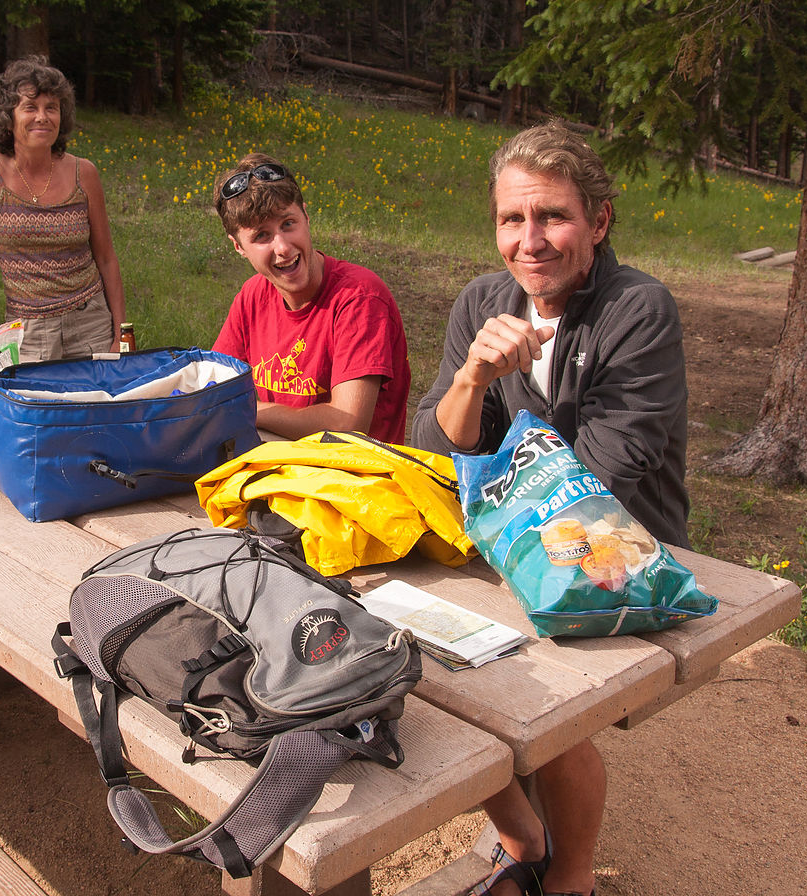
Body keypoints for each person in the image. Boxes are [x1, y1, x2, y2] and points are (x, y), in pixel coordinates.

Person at [412, 120, 690, 896]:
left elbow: (603, 481)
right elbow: (434, 451)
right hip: (507, 542)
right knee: (408, 652)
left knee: (541, 705)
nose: (529, 240)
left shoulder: (637, 311)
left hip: (624, 554)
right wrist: (471, 379)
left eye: (552, 216)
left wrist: (487, 494)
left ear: (598, 222)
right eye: (512, 219)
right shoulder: (483, 303)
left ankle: (571, 878)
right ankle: (521, 838)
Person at [211, 152, 411, 442]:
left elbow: (348, 423)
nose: (282, 247)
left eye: (288, 224)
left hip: (352, 478)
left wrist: (251, 411)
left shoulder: (359, 297)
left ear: (306, 215)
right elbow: (215, 391)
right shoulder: (252, 297)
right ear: (238, 246)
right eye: (262, 236)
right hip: (277, 466)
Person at [0, 56, 127, 362]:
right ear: (8, 117)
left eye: (51, 107)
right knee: (35, 409)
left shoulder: (84, 173)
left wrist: (121, 334)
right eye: (30, 107)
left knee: (99, 408)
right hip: (27, 335)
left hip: (91, 326)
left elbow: (106, 258)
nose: (43, 116)